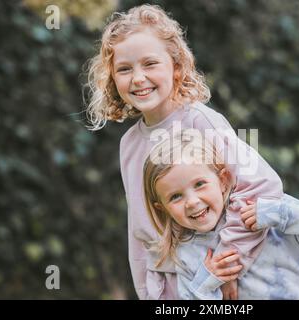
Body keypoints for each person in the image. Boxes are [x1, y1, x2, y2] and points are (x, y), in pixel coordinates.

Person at [84, 4, 283, 299]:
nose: (138, 78)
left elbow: (261, 188)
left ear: (176, 68)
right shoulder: (129, 145)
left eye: (150, 64)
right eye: (125, 69)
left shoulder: (200, 121)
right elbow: (141, 232)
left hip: (229, 285)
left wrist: (228, 265)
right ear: (112, 79)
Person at [143, 131, 299, 299]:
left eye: (199, 184)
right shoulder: (187, 253)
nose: (192, 202)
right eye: (176, 197)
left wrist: (280, 214)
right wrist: (208, 281)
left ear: (223, 180)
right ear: (162, 207)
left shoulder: (265, 209)